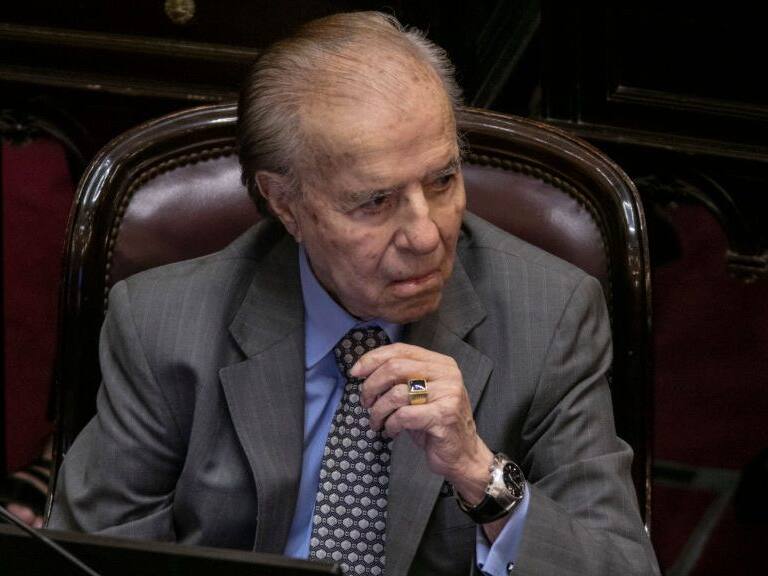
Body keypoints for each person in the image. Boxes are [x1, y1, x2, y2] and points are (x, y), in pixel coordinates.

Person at [49, 11, 660, 576]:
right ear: (286, 203)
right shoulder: (163, 325)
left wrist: (480, 474)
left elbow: (621, 567)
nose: (426, 235)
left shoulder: (549, 316)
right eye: (375, 201)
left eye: (443, 180)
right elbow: (91, 559)